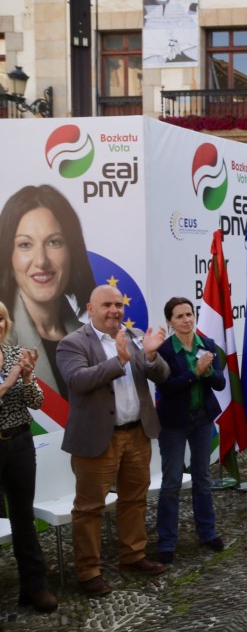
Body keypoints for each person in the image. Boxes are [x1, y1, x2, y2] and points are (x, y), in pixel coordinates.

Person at [57, 285, 171, 597]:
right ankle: (89, 571)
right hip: (98, 439)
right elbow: (78, 381)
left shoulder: (134, 337)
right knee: (89, 508)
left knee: (134, 499)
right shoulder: (72, 343)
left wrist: (149, 355)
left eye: (118, 305)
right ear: (90, 310)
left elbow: (161, 375)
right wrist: (118, 361)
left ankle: (133, 556)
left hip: (137, 433)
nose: (114, 311)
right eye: (106, 305)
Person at [0, 184, 96, 398]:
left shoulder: (92, 339)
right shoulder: (3, 342)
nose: (41, 261)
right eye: (25, 245)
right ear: (8, 256)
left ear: (72, 252)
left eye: (54, 242)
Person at [153, 297, 226, 564]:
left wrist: (207, 373)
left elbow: (219, 383)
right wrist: (195, 373)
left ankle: (207, 532)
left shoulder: (206, 345)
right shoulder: (163, 350)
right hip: (173, 423)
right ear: (170, 322)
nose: (187, 320)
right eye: (180, 316)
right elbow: (167, 388)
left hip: (202, 420)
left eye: (189, 314)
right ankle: (167, 541)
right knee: (171, 482)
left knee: (202, 478)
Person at [0, 300, 56, 613]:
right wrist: (8, 382)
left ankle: (35, 588)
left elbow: (36, 402)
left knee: (23, 517)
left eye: (0, 318)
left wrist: (26, 378)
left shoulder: (14, 355)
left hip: (20, 442)